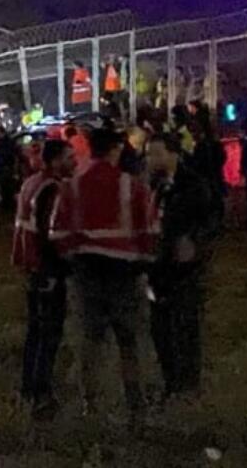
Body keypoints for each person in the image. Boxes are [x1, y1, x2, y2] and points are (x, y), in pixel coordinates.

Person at [50, 128, 159, 428]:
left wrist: (75, 258)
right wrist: (145, 265)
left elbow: (58, 234)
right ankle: (136, 408)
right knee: (129, 343)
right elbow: (149, 233)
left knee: (91, 343)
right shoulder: (132, 186)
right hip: (125, 274)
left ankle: (91, 407)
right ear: (115, 150)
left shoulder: (72, 187)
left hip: (87, 274)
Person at [147, 132, 220, 399]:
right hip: (157, 269)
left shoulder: (194, 186)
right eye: (148, 153)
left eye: (155, 153)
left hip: (185, 272)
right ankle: (171, 382)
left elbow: (211, 222)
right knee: (160, 329)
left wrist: (194, 243)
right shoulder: (153, 187)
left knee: (185, 327)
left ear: (173, 153)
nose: (150, 159)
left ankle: (188, 385)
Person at [12, 139, 76, 420]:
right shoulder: (53, 188)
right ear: (54, 161)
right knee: (48, 334)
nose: (74, 162)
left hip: (31, 266)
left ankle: (28, 389)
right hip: (46, 269)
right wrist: (59, 268)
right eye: (69, 157)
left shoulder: (31, 183)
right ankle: (41, 394)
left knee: (35, 332)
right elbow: (49, 234)